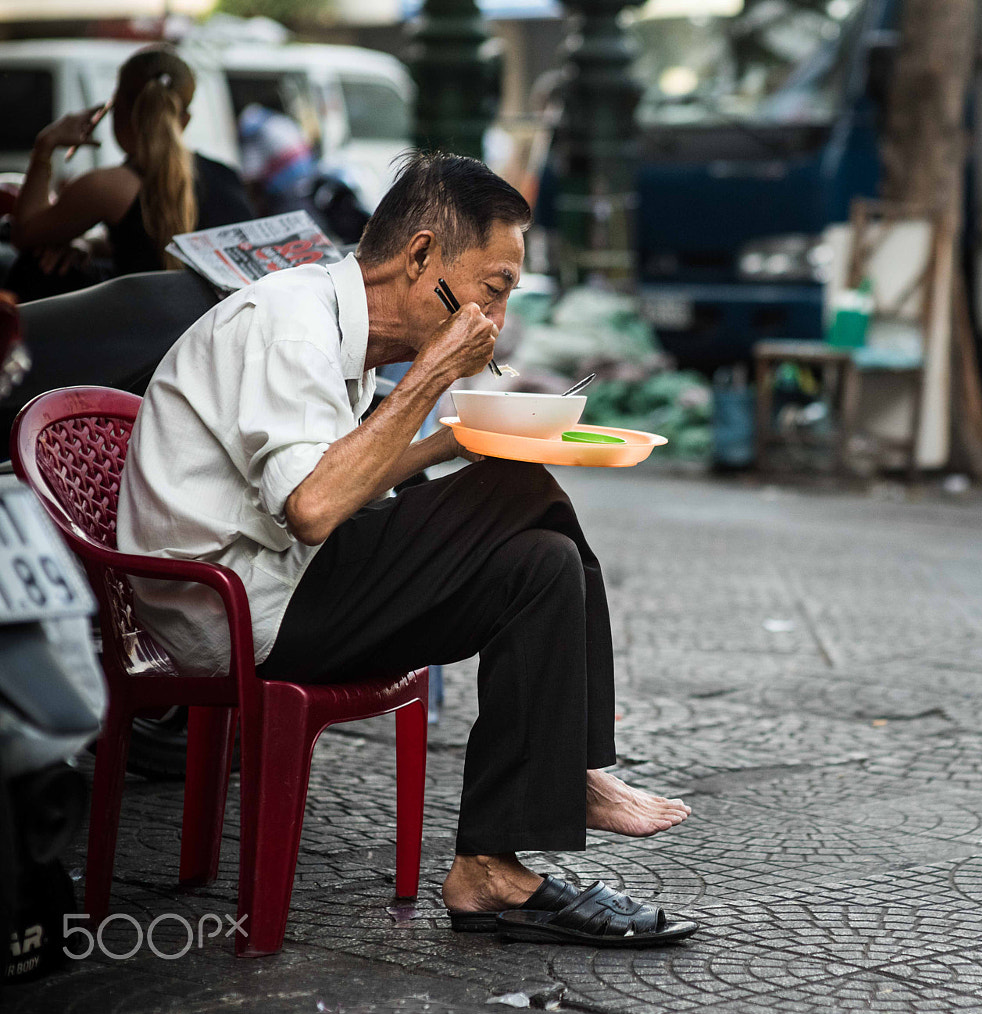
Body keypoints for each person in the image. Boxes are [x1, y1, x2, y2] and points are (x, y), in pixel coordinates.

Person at [117, 151, 697, 946]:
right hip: (234, 611)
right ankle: (575, 770)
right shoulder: (287, 324)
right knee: (521, 497)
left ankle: (489, 869)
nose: (492, 321)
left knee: (540, 564)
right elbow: (316, 506)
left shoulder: (338, 331)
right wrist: (429, 379)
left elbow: (348, 482)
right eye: (492, 290)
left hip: (291, 582)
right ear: (422, 257)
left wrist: (456, 439)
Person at [8, 46, 253, 299]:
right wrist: (90, 245)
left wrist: (45, 147)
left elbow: (25, 234)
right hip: (220, 328)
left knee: (34, 266)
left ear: (118, 108)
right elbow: (154, 246)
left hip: (153, 332)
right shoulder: (226, 175)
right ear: (185, 120)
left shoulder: (109, 186)